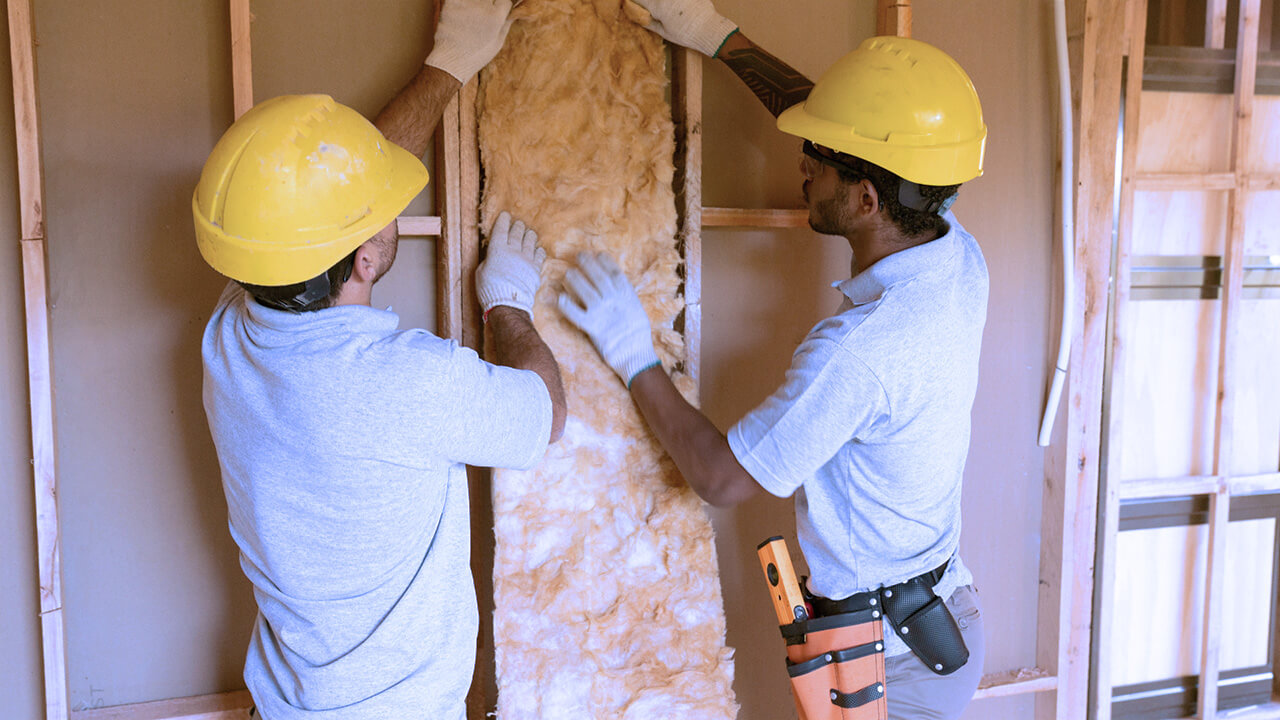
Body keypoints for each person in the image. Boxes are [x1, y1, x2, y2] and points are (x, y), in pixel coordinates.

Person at [558, 2, 988, 718]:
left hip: (892, 669)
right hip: (932, 621)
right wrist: (718, 39)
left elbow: (722, 478)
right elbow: (863, 130)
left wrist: (632, 351)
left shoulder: (859, 352)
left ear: (866, 197)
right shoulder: (951, 249)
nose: (803, 163)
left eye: (817, 162)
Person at [192, 1, 566, 718]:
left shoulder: (230, 337)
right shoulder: (405, 381)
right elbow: (542, 414)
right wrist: (507, 303)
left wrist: (449, 65)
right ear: (365, 257)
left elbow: (302, 207)